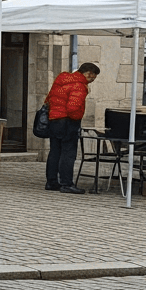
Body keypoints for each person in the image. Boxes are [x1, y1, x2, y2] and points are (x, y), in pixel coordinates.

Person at [45, 62, 100, 193]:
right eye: (93, 77)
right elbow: (73, 107)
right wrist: (76, 119)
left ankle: (51, 182)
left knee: (55, 152)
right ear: (89, 74)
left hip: (54, 119)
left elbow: (48, 99)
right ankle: (66, 183)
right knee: (68, 153)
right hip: (68, 121)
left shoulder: (62, 79)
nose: (92, 80)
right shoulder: (79, 85)